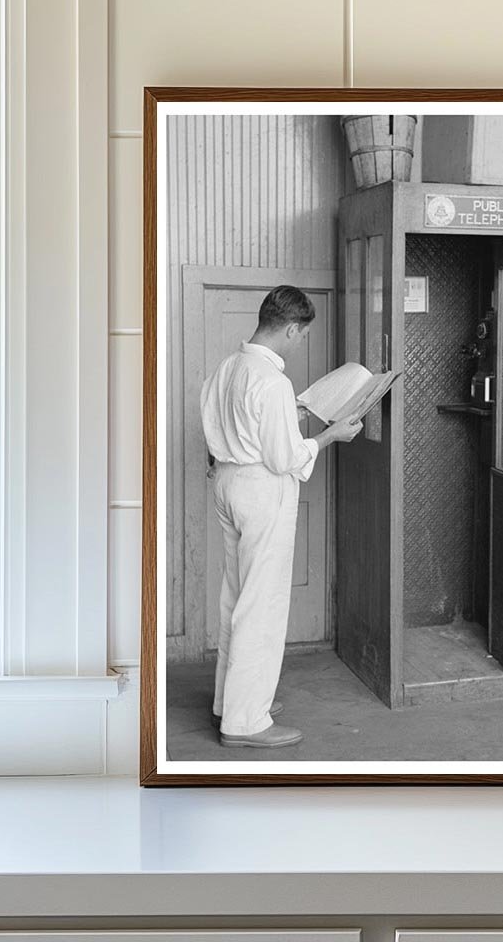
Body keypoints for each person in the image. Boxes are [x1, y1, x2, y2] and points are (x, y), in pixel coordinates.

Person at [200, 285, 363, 749]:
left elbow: (228, 424)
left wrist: (289, 412)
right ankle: (246, 722)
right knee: (262, 606)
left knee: (236, 598)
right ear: (291, 327)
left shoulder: (228, 367)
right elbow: (284, 457)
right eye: (301, 334)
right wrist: (331, 435)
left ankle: (228, 704)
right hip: (261, 490)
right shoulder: (272, 381)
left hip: (228, 481)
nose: (299, 342)